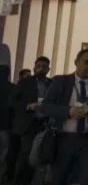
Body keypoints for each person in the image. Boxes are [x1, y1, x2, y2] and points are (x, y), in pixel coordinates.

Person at [40, 48, 88, 185]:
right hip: (63, 137)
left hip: (87, 139)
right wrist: (68, 111)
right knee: (59, 178)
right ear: (76, 62)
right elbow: (45, 107)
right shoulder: (61, 81)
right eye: (86, 62)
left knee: (87, 178)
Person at [11, 55, 50, 185]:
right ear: (34, 67)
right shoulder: (26, 82)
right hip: (28, 124)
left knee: (39, 155)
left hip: (44, 124)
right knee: (26, 154)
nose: (41, 69)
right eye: (38, 66)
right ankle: (19, 181)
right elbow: (13, 101)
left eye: (44, 67)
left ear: (48, 69)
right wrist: (27, 106)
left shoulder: (51, 84)